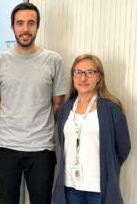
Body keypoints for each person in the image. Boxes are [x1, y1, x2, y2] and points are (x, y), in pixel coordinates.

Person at [0, 2, 68, 204]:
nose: (25, 29)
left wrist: (38, 125)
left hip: (41, 148)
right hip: (6, 147)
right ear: (12, 27)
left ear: (38, 26)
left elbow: (57, 106)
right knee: (6, 201)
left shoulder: (53, 60)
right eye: (20, 24)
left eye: (31, 23)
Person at [52, 54, 131, 204]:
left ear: (99, 77)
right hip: (70, 187)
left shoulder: (111, 108)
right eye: (78, 72)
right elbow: (64, 144)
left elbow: (123, 147)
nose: (83, 78)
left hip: (99, 188)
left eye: (89, 72)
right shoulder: (65, 108)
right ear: (73, 76)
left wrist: (109, 166)